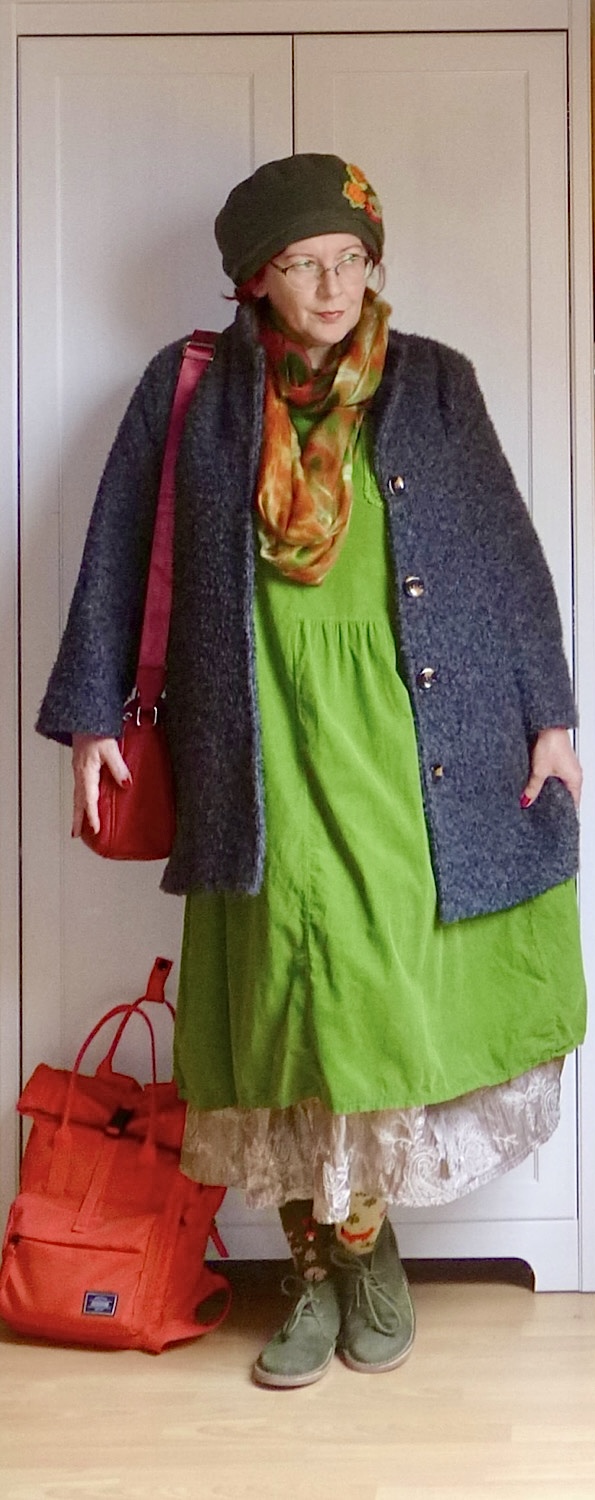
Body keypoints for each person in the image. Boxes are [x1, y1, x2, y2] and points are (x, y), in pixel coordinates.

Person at [37, 153, 586, 1388]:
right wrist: (92, 715)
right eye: (302, 264)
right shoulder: (190, 388)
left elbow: (506, 552)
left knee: (377, 1000)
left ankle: (361, 1250)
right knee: (288, 1006)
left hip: (408, 733)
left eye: (350, 260)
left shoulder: (434, 381)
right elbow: (119, 544)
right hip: (254, 733)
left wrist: (548, 715)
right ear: (255, 278)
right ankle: (318, 1266)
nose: (332, 287)